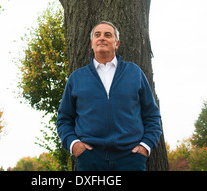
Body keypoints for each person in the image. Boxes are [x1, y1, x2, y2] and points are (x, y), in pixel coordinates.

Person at [56, 21, 162, 171]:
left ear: (116, 43)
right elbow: (64, 119)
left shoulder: (134, 73)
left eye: (108, 35)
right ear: (92, 43)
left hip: (131, 159)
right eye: (97, 35)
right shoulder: (77, 78)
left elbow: (152, 115)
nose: (102, 38)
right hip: (90, 160)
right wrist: (74, 145)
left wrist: (145, 146)